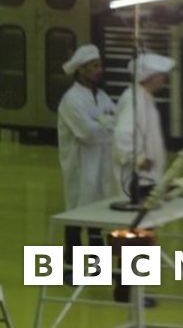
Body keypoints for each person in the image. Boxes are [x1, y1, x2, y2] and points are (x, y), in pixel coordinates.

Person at [56, 44, 117, 278]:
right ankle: (69, 267)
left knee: (96, 214)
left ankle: (97, 268)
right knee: (75, 214)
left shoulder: (101, 96)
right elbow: (86, 133)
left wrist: (103, 124)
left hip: (100, 163)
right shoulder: (71, 100)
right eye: (94, 66)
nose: (99, 70)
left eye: (100, 65)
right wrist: (105, 124)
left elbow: (116, 120)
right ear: (80, 70)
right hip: (80, 166)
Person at [112, 53, 175, 200]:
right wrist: (138, 159)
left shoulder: (144, 97)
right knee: (135, 212)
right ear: (150, 77)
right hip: (136, 176)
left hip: (147, 175)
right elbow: (122, 134)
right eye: (161, 75)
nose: (164, 80)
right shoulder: (135, 99)